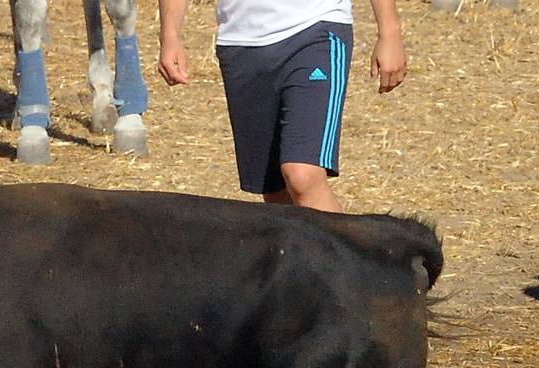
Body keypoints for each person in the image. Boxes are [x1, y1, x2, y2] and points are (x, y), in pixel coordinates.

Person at [158, 0, 407, 212]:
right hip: (240, 41)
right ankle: (304, 268)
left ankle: (352, 269)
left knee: (302, 177)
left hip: (316, 28)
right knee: (275, 192)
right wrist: (170, 35)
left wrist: (390, 32)